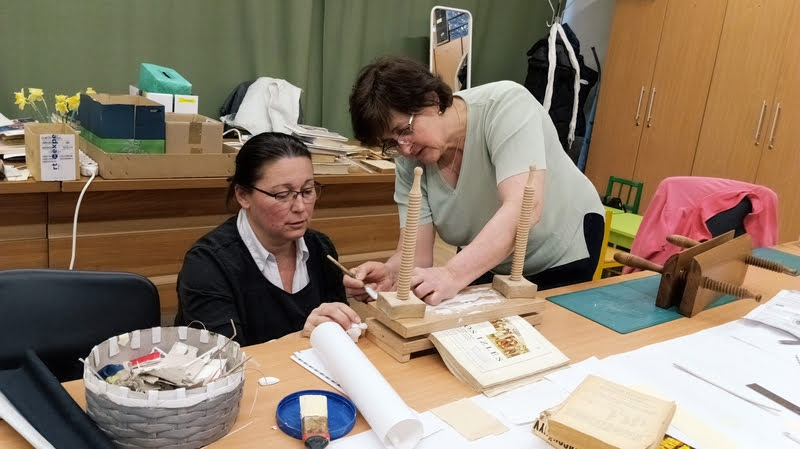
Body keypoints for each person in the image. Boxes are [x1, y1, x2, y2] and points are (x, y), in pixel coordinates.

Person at [346, 56, 605, 305]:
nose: (404, 149)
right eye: (391, 143)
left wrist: (452, 274)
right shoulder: (410, 161)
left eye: (404, 130)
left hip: (563, 248)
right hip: (490, 260)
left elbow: (524, 209)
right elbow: (416, 253)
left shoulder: (506, 106)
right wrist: (392, 273)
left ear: (432, 100)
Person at [174, 132, 361, 345]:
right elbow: (223, 357)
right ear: (243, 195)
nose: (300, 207)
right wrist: (301, 337)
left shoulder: (320, 248)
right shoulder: (207, 264)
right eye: (282, 195)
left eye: (307, 191)